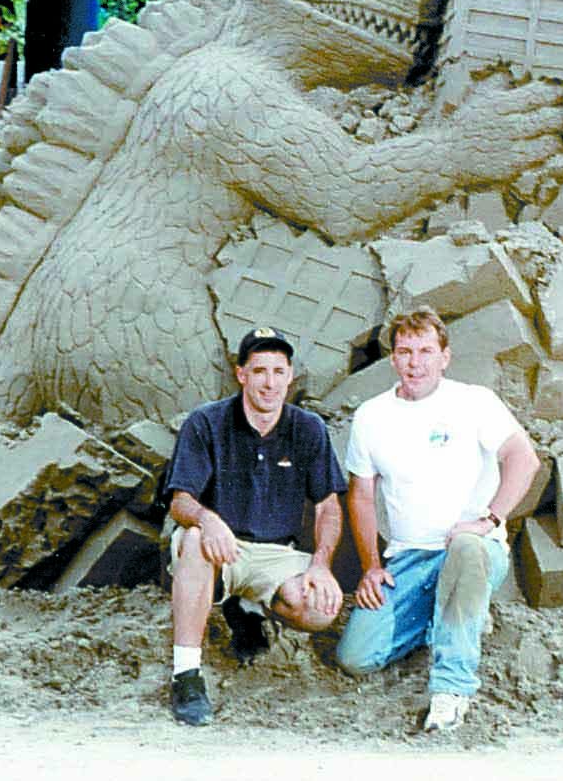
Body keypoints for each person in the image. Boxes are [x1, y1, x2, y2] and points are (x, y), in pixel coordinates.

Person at [335, 305, 541, 732]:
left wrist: (489, 520)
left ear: (445, 356)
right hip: (409, 558)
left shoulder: (473, 402)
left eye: (426, 351)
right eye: (406, 352)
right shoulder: (372, 416)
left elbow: (523, 458)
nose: (416, 363)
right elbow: (361, 494)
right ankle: (453, 614)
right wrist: (372, 565)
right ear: (393, 358)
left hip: (470, 550)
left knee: (465, 549)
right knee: (355, 658)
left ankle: (451, 691)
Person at [161, 326, 347, 726]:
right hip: (221, 548)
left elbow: (329, 507)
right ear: (241, 374)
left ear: (290, 376)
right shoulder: (206, 423)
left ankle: (248, 610)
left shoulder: (308, 428)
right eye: (259, 371)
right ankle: (186, 676)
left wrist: (320, 564)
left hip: (276, 552)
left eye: (279, 372)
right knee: (194, 541)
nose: (270, 382)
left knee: (318, 610)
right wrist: (208, 519)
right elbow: (180, 501)